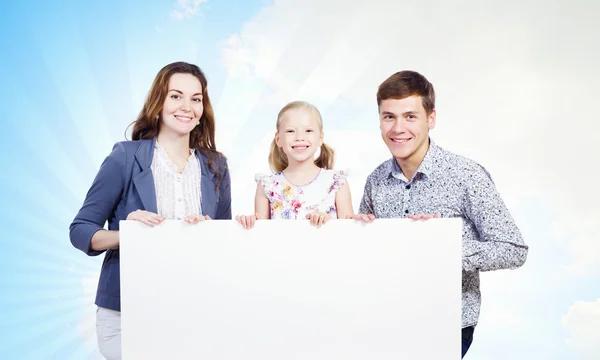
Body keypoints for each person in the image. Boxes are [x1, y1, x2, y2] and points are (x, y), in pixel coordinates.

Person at [354, 70, 528, 358]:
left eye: (410, 116)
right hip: (385, 319)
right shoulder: (375, 180)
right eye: (389, 117)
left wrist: (444, 246)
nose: (398, 128)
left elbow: (513, 249)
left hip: (446, 323)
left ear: (431, 118)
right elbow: (367, 259)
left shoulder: (465, 175)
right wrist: (359, 232)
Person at [69, 61, 231, 359]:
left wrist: (208, 231)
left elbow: (224, 243)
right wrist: (128, 234)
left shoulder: (216, 166)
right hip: (127, 312)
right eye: (176, 96)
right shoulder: (125, 157)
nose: (187, 106)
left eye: (196, 99)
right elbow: (80, 231)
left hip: (194, 310)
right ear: (158, 103)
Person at [236, 101, 353, 228]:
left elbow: (349, 232)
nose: (299, 137)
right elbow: (259, 235)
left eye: (308, 130)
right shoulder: (267, 186)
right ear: (278, 139)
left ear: (320, 138)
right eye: (290, 131)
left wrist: (329, 222)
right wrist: (247, 223)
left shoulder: (336, 182)